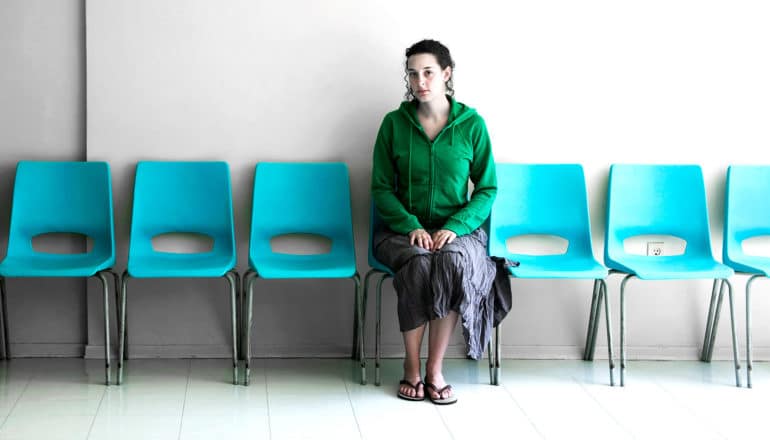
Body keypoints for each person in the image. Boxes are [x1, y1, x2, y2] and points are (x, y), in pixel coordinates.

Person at [370, 39, 500, 405]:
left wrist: (456, 227)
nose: (420, 80)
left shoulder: (472, 125)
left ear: (446, 74)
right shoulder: (394, 124)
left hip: (457, 230)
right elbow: (380, 187)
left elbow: (487, 188)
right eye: (413, 73)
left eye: (428, 72)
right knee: (418, 264)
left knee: (452, 263)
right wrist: (410, 224)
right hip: (400, 230)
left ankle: (435, 369)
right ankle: (411, 367)